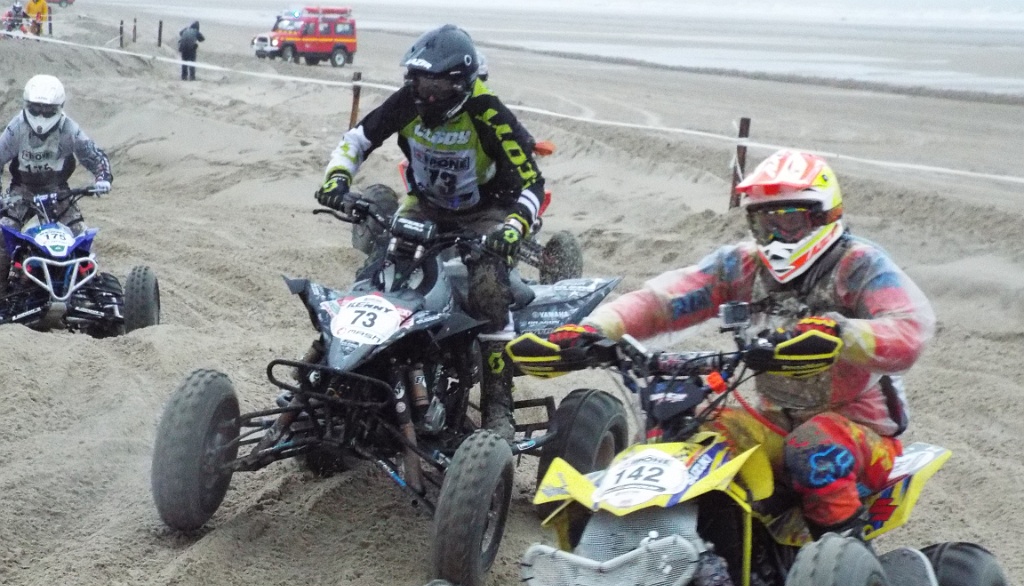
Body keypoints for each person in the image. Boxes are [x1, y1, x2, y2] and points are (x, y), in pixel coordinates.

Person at [510, 149, 936, 539]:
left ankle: (843, 563)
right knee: (698, 435)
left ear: (825, 216)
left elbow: (910, 329)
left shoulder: (858, 265)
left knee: (815, 446)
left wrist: (843, 334)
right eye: (765, 223)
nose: (778, 235)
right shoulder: (743, 265)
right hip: (776, 421)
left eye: (791, 220)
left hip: (864, 435)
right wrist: (592, 330)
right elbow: (662, 301)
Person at [315, 24, 545, 441]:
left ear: (461, 83)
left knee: (489, 286)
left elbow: (533, 183)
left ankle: (498, 406)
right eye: (421, 82)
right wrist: (336, 180)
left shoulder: (488, 112)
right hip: (425, 204)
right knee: (379, 272)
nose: (428, 94)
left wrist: (514, 226)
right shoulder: (406, 104)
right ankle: (357, 374)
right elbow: (357, 140)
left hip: (486, 212)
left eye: (438, 85)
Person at [0, 74, 113, 293]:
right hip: (22, 190)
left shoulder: (69, 129)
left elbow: (93, 154)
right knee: (4, 234)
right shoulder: (16, 128)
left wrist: (103, 178)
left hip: (57, 190)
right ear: (26, 105)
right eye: (36, 109)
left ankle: (85, 291)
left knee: (80, 238)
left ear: (59, 108)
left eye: (48, 110)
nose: (41, 116)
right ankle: (3, 292)